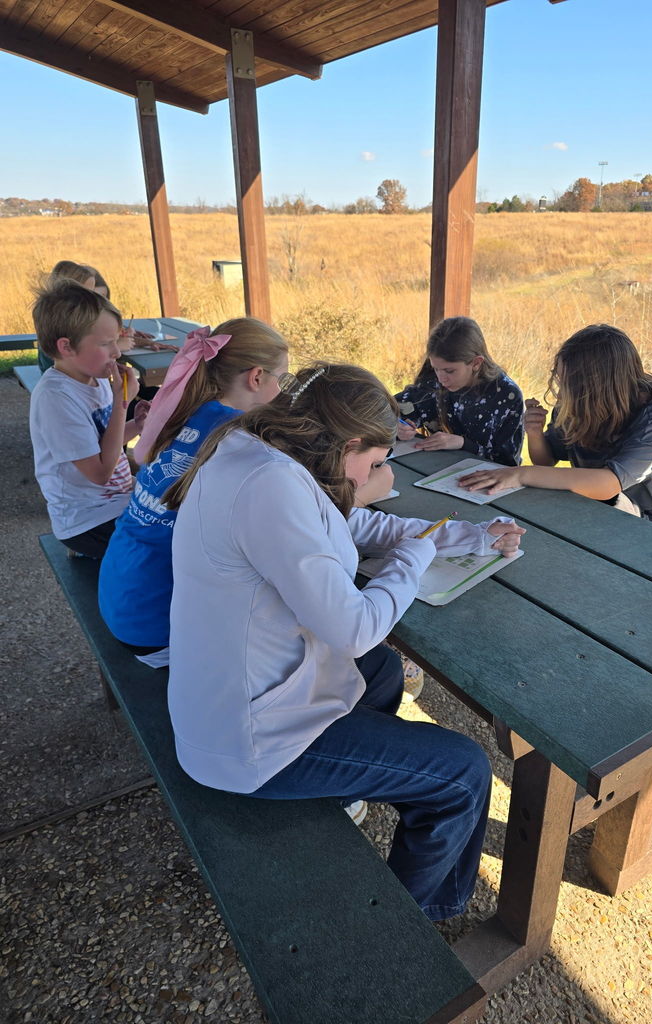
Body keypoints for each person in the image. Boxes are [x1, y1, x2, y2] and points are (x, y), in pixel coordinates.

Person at [163, 363, 524, 920]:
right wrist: (417, 555)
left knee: (379, 671)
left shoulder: (258, 453)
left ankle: (345, 786)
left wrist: (463, 535)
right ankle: (417, 918)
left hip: (223, 701)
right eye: (377, 463)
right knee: (463, 771)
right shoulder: (272, 486)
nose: (381, 475)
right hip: (245, 740)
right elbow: (355, 628)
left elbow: (351, 526)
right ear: (349, 442)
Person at [98, 318, 290, 667]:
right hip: (158, 629)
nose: (283, 391)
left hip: (121, 599)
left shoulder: (187, 411)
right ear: (257, 377)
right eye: (282, 379)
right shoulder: (240, 440)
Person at [458, 324, 652, 532]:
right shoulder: (580, 402)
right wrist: (534, 432)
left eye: (569, 383)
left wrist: (520, 473)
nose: (560, 393)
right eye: (560, 380)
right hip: (598, 504)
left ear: (597, 386)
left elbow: (609, 484)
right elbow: (546, 461)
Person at [29, 278, 146, 558]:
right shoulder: (56, 398)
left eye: (116, 341)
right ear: (67, 347)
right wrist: (121, 403)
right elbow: (99, 473)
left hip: (116, 498)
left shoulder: (96, 377)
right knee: (171, 544)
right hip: (87, 520)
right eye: (107, 344)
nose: (117, 352)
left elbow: (106, 441)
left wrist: (136, 425)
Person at [395, 316, 524, 466]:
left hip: (483, 479)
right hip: (431, 467)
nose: (442, 378)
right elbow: (385, 409)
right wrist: (397, 426)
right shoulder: (433, 379)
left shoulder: (506, 395)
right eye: (436, 368)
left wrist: (463, 444)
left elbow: (508, 461)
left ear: (476, 363)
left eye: (450, 371)